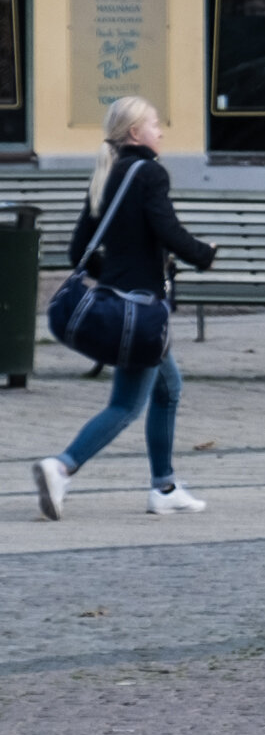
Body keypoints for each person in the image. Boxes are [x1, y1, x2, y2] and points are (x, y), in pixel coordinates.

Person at [33, 96, 217, 521]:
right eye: (155, 124)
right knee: (128, 405)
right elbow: (166, 228)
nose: (161, 131)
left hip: (119, 304)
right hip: (141, 313)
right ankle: (61, 467)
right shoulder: (149, 173)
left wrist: (113, 272)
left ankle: (164, 487)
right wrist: (204, 255)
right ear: (135, 133)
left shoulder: (107, 172)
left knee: (168, 388)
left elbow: (78, 250)